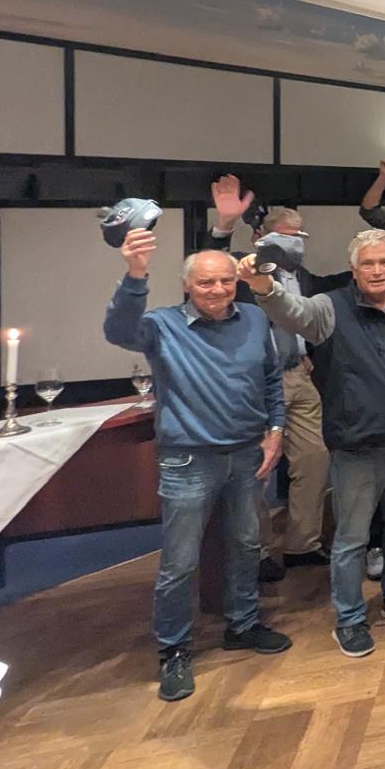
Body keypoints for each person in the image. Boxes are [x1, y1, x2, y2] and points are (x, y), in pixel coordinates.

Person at [240, 229, 385, 659]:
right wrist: (263, 285)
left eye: (384, 263)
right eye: (367, 263)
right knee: (352, 537)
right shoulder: (330, 307)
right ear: (354, 270)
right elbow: (291, 310)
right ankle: (350, 619)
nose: (377, 270)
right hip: (358, 443)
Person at [104, 233, 293, 701]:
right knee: (180, 561)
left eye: (226, 280)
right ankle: (174, 650)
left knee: (247, 545)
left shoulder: (253, 317)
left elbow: (271, 379)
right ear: (187, 285)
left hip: (248, 454)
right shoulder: (162, 325)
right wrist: (135, 274)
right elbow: (118, 332)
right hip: (188, 458)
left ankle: (242, 624)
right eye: (206, 282)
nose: (218, 289)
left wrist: (275, 429)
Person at [204, 175, 349, 582]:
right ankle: (259, 550)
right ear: (262, 237)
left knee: (315, 458)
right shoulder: (240, 272)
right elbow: (209, 262)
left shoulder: (306, 279)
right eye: (285, 235)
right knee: (257, 467)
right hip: (254, 383)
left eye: (298, 236)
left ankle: (303, 543)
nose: (293, 243)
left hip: (299, 375)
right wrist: (224, 225)